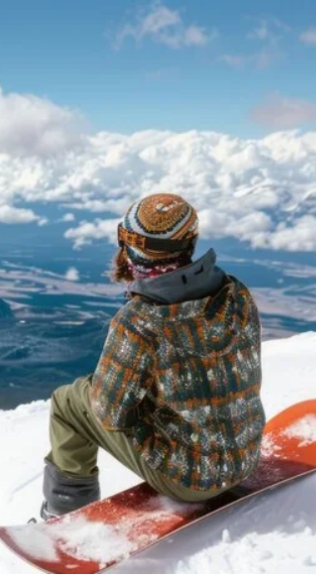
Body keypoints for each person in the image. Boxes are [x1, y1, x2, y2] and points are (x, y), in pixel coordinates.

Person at [40, 193, 265, 520]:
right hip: (246, 456)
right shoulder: (235, 292)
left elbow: (108, 414)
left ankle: (62, 515)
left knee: (69, 402)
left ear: (129, 245)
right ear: (191, 242)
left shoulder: (139, 321)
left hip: (190, 479)